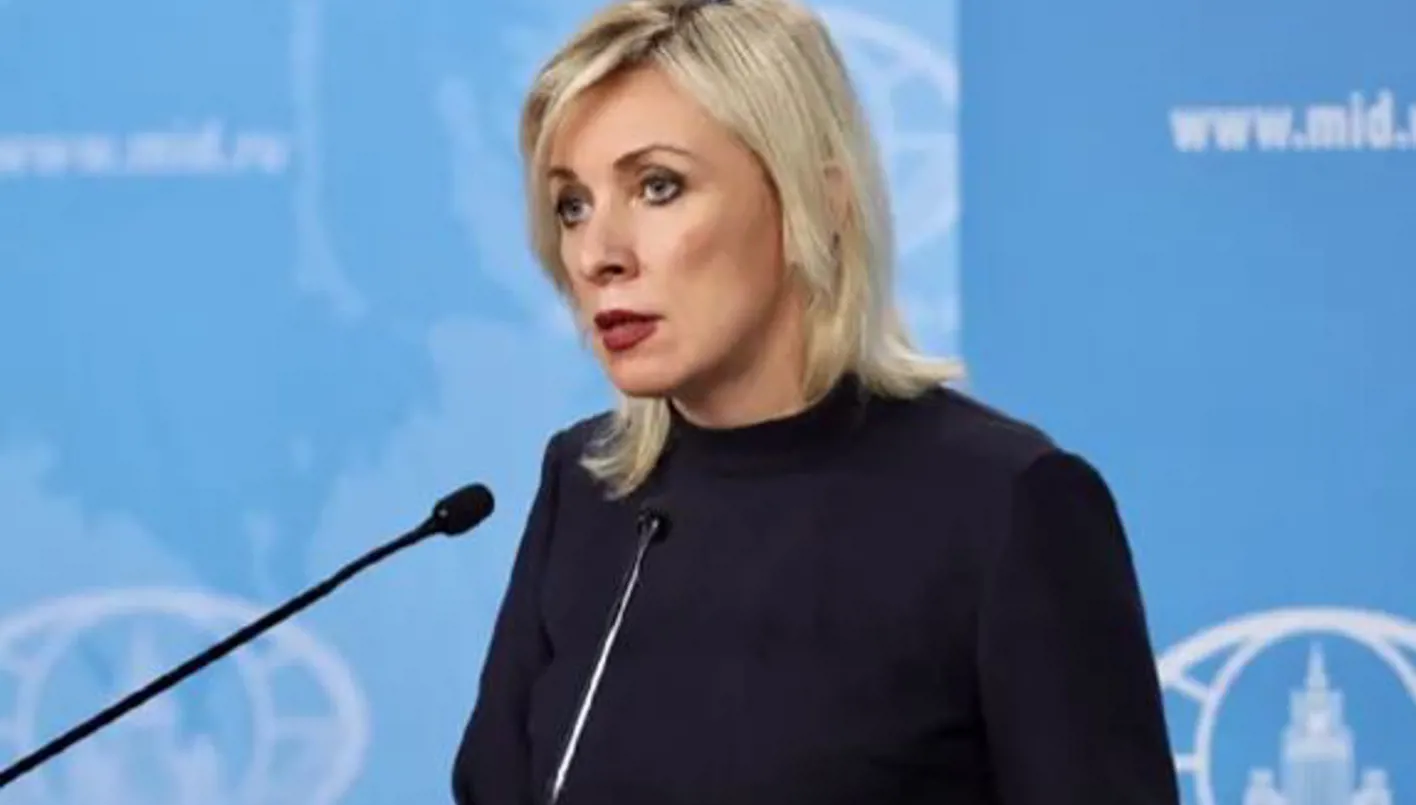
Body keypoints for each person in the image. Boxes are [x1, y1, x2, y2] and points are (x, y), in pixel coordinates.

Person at [451, 0, 1181, 802]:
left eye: (658, 186)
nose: (599, 254)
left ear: (818, 200)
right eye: (572, 205)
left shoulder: (1006, 505)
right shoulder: (585, 484)